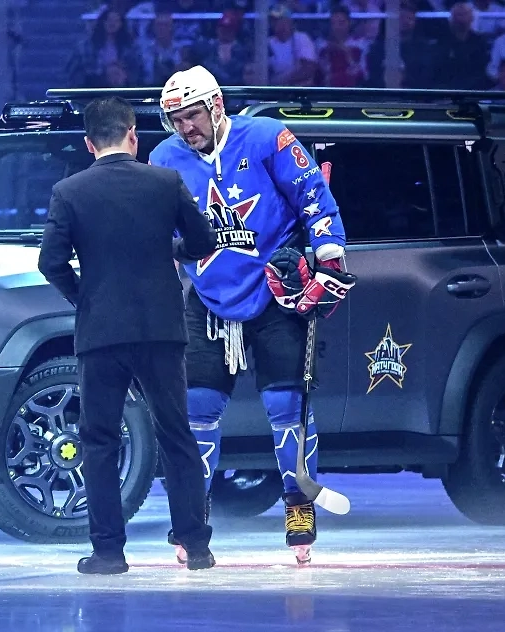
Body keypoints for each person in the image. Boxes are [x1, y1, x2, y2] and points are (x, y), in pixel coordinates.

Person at [149, 66, 347, 565]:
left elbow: (314, 197)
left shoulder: (266, 137)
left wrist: (329, 258)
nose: (185, 128)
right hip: (207, 296)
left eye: (192, 115)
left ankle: (299, 504)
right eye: (175, 120)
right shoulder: (163, 158)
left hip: (276, 291)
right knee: (196, 408)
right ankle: (193, 516)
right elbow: (155, 229)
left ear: (216, 106)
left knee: (287, 406)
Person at [37, 96, 218, 575]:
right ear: (133, 135)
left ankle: (109, 552)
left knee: (100, 440)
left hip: (101, 332)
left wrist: (85, 298)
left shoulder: (69, 191)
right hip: (161, 329)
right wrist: (172, 250)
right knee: (177, 435)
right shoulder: (165, 181)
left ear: (88, 144)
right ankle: (196, 546)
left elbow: (50, 262)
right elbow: (204, 241)